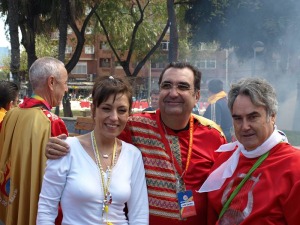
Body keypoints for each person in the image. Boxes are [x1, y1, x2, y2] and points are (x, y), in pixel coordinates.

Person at [46, 62, 227, 225]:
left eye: (182, 86)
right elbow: (100, 139)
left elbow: (226, 190)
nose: (173, 93)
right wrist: (64, 146)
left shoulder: (214, 137)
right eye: (166, 86)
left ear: (196, 96)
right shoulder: (133, 126)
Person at [37, 75, 149, 224]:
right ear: (93, 110)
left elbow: (139, 215)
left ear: (129, 114)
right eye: (106, 108)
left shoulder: (133, 155)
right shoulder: (66, 149)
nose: (114, 117)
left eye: (122, 110)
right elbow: (46, 210)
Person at [199, 77, 300, 225]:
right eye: (238, 119)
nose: (244, 126)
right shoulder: (225, 159)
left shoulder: (295, 167)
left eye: (253, 117)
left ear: (272, 116)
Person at [0, 57, 68, 225]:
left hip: (10, 204)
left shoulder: (10, 115)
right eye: (65, 83)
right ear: (51, 82)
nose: (66, 89)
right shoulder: (52, 122)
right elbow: (63, 178)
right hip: (37, 211)